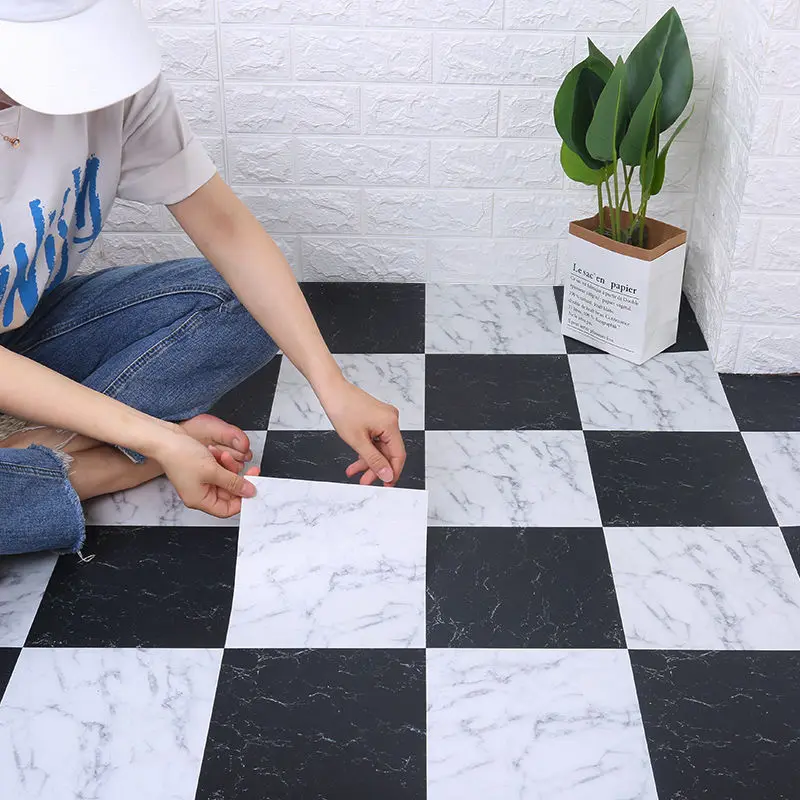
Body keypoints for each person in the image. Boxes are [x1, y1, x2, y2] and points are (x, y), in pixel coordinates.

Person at [0, 0, 406, 557]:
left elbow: (227, 230)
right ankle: (108, 466)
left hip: (22, 335)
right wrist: (159, 439)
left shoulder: (112, 77)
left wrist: (333, 386)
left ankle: (46, 449)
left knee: (239, 301)